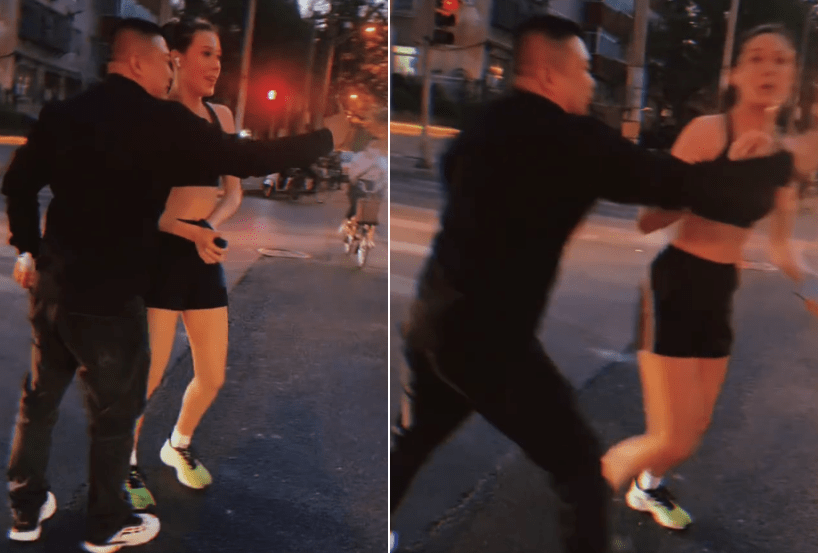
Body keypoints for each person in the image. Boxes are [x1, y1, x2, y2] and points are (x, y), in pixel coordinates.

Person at [389, 14, 794, 553]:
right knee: (580, 468)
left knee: (414, 439)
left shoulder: (484, 124)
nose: (590, 83)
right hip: (492, 342)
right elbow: (669, 182)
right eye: (582, 71)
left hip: (431, 321)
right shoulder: (572, 139)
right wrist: (754, 169)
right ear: (549, 74)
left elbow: (450, 170)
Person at [3, 17, 332, 552]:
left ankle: (25, 511)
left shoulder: (65, 112)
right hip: (112, 297)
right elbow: (247, 159)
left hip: (54, 287)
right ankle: (106, 525)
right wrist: (326, 137)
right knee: (115, 413)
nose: (170, 71)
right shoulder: (158, 120)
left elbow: (17, 184)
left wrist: (28, 248)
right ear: (138, 62)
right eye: (166, 62)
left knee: (38, 401)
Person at [601, 23, 818, 530]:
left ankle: (645, 489)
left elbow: (782, 248)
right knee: (672, 436)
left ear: (793, 78)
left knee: (694, 428)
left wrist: (811, 287)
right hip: (675, 285)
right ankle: (588, 485)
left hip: (720, 292)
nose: (768, 68)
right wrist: (717, 177)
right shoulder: (706, 132)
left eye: (781, 60)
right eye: (756, 57)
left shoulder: (781, 161)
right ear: (736, 75)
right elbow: (648, 219)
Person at [122, 16, 239, 513]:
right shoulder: (153, 117)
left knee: (213, 375)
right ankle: (125, 462)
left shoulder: (222, 117)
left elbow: (233, 192)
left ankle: (178, 444)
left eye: (219, 56)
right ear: (177, 57)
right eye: (206, 53)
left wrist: (209, 228)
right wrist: (192, 231)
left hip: (201, 254)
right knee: (148, 376)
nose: (216, 65)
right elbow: (140, 205)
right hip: (160, 256)